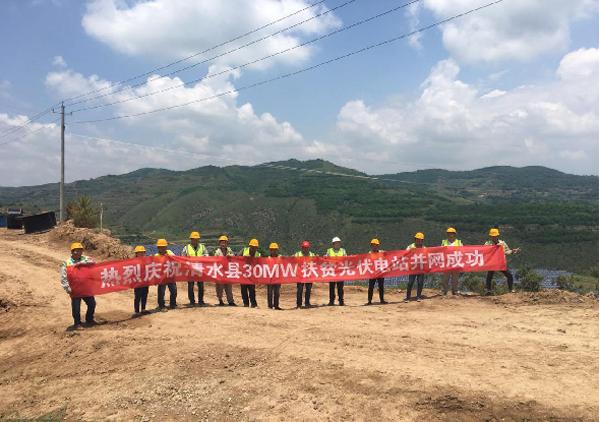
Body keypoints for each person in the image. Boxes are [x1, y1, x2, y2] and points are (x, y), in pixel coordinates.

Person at [60, 242, 96, 330]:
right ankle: (77, 323)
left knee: (92, 303)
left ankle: (89, 319)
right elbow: (63, 277)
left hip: (85, 287)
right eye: (77, 251)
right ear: (72, 252)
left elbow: (94, 263)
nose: (79, 252)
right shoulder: (66, 263)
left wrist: (83, 263)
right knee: (76, 307)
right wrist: (67, 288)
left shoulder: (85, 258)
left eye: (80, 250)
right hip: (74, 289)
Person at [484, 228, 520, 294]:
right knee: (489, 276)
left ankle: (511, 289)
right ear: (490, 236)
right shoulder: (487, 243)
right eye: (492, 236)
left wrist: (512, 251)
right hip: (492, 263)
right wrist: (493, 247)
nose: (494, 237)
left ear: (497, 235)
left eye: (495, 236)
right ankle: (488, 291)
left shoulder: (502, 243)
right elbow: (484, 251)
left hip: (500, 262)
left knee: (509, 275)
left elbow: (507, 251)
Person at [182, 231, 209, 307]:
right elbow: (182, 257)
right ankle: (192, 301)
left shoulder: (202, 247)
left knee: (201, 286)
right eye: (194, 239)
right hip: (190, 270)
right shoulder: (186, 248)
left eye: (197, 239)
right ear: (191, 239)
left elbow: (207, 255)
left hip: (200, 269)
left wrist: (203, 257)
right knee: (191, 286)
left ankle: (201, 301)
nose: (195, 240)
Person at [214, 235, 237, 306]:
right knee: (219, 287)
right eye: (222, 242)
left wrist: (231, 256)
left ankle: (230, 301)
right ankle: (220, 300)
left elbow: (234, 258)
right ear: (219, 243)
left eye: (225, 242)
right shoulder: (217, 252)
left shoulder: (229, 251)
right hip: (220, 272)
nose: (223, 244)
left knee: (229, 287)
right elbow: (214, 261)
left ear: (227, 243)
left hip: (228, 271)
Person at [155, 238, 176, 310]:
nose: (163, 248)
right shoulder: (156, 256)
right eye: (161, 247)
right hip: (162, 277)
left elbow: (176, 260)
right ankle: (161, 306)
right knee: (161, 292)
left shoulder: (170, 253)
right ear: (158, 248)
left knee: (174, 290)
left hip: (171, 275)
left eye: (164, 246)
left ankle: (173, 304)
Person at [441, 228, 463, 295]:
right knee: (445, 278)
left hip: (456, 262)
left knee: (455, 278)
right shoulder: (444, 242)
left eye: (452, 233)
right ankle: (444, 290)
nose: (450, 235)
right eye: (449, 233)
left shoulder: (459, 242)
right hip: (446, 263)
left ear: (454, 234)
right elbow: (440, 251)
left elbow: (463, 251)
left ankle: (455, 290)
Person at [239, 238, 261, 308]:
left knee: (252, 290)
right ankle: (245, 303)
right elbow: (237, 258)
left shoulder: (258, 254)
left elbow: (260, 264)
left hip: (252, 275)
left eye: (255, 247)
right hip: (243, 274)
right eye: (252, 247)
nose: (253, 248)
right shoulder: (244, 250)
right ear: (250, 246)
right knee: (243, 289)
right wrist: (244, 258)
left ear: (257, 247)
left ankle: (253, 304)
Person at [294, 241, 316, 308]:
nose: (305, 249)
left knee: (308, 289)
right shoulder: (297, 254)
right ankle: (299, 304)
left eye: (306, 247)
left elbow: (316, 261)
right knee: (300, 290)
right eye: (304, 247)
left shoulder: (312, 254)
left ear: (308, 248)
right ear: (302, 247)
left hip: (309, 275)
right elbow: (292, 261)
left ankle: (307, 303)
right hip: (300, 275)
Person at [325, 236, 346, 306]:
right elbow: (325, 258)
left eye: (338, 243)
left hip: (340, 272)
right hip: (332, 272)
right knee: (332, 287)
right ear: (333, 244)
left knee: (340, 287)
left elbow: (346, 258)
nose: (337, 244)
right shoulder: (329, 251)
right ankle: (331, 301)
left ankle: (341, 301)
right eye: (336, 243)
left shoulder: (343, 250)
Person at [406, 232, 426, 302]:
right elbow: (405, 254)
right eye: (417, 239)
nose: (419, 241)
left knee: (420, 282)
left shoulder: (424, 248)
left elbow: (427, 257)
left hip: (421, 268)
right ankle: (408, 297)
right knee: (410, 283)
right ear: (415, 239)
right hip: (412, 268)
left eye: (420, 240)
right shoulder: (410, 247)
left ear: (422, 240)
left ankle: (418, 296)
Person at [366, 239, 387, 305]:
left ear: (378, 246)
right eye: (373, 245)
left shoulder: (381, 252)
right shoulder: (369, 253)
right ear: (371, 246)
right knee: (371, 287)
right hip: (372, 273)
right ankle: (369, 301)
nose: (374, 246)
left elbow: (388, 257)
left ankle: (382, 300)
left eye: (376, 245)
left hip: (380, 272)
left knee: (381, 286)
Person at [133, 245, 150, 316]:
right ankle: (136, 311)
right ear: (136, 254)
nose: (142, 254)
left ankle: (143, 309)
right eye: (140, 252)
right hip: (137, 283)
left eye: (143, 252)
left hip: (145, 282)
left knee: (144, 296)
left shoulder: (147, 261)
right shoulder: (133, 262)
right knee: (137, 297)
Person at [266, 243, 282, 310]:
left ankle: (276, 305)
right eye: (272, 249)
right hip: (270, 278)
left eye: (275, 249)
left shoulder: (280, 257)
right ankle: (270, 306)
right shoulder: (267, 258)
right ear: (270, 250)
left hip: (278, 278)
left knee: (277, 292)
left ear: (277, 250)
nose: (274, 251)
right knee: (270, 292)